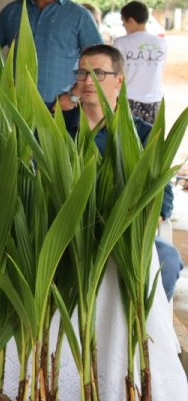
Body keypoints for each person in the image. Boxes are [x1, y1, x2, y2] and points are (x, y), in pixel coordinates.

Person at [58, 44, 182, 299]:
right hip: (68, 233)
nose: (88, 81)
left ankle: (141, 324)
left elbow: (162, 198)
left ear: (119, 81)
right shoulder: (56, 129)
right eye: (82, 73)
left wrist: (131, 225)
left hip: (125, 233)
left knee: (167, 259)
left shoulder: (144, 134)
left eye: (99, 73)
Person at [112, 0, 167, 124]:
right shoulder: (161, 43)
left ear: (131, 21)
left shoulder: (120, 43)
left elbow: (115, 72)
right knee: (150, 136)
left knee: (124, 136)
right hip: (155, 101)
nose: (123, 25)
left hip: (128, 99)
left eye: (123, 21)